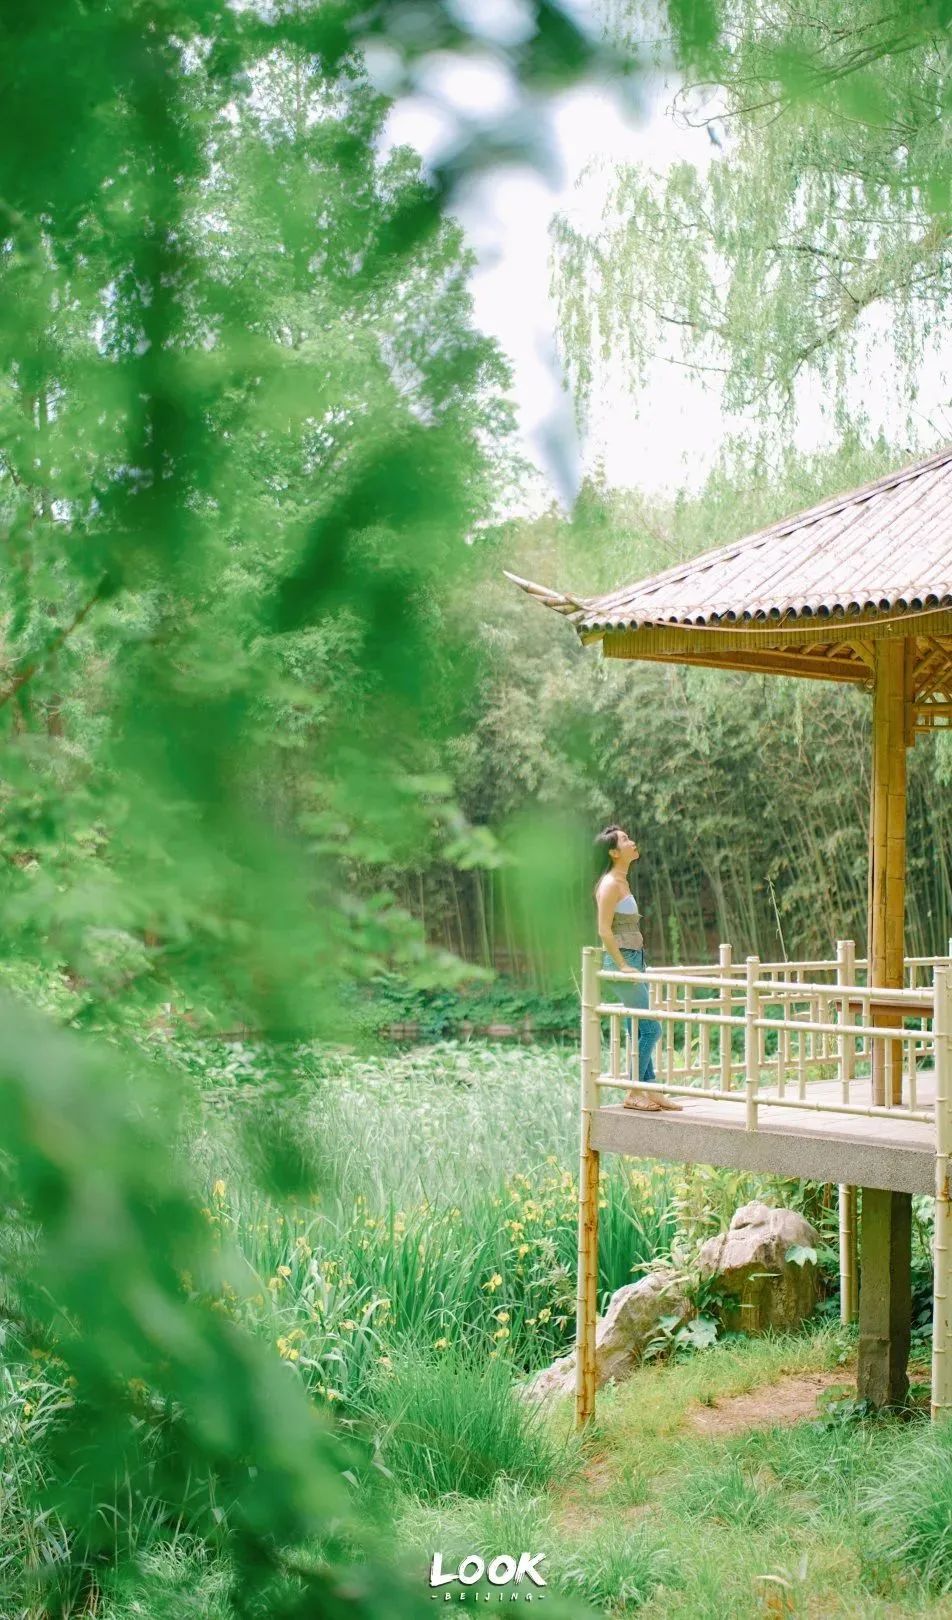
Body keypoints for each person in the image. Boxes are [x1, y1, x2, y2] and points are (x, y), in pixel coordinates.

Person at [594, 825, 681, 1112]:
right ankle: (633, 1092)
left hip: (635, 961)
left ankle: (650, 1088)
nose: (633, 842)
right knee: (652, 1029)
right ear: (614, 852)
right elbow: (604, 931)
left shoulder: (622, 882)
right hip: (623, 964)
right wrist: (621, 965)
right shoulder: (609, 885)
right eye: (625, 840)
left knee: (639, 1029)